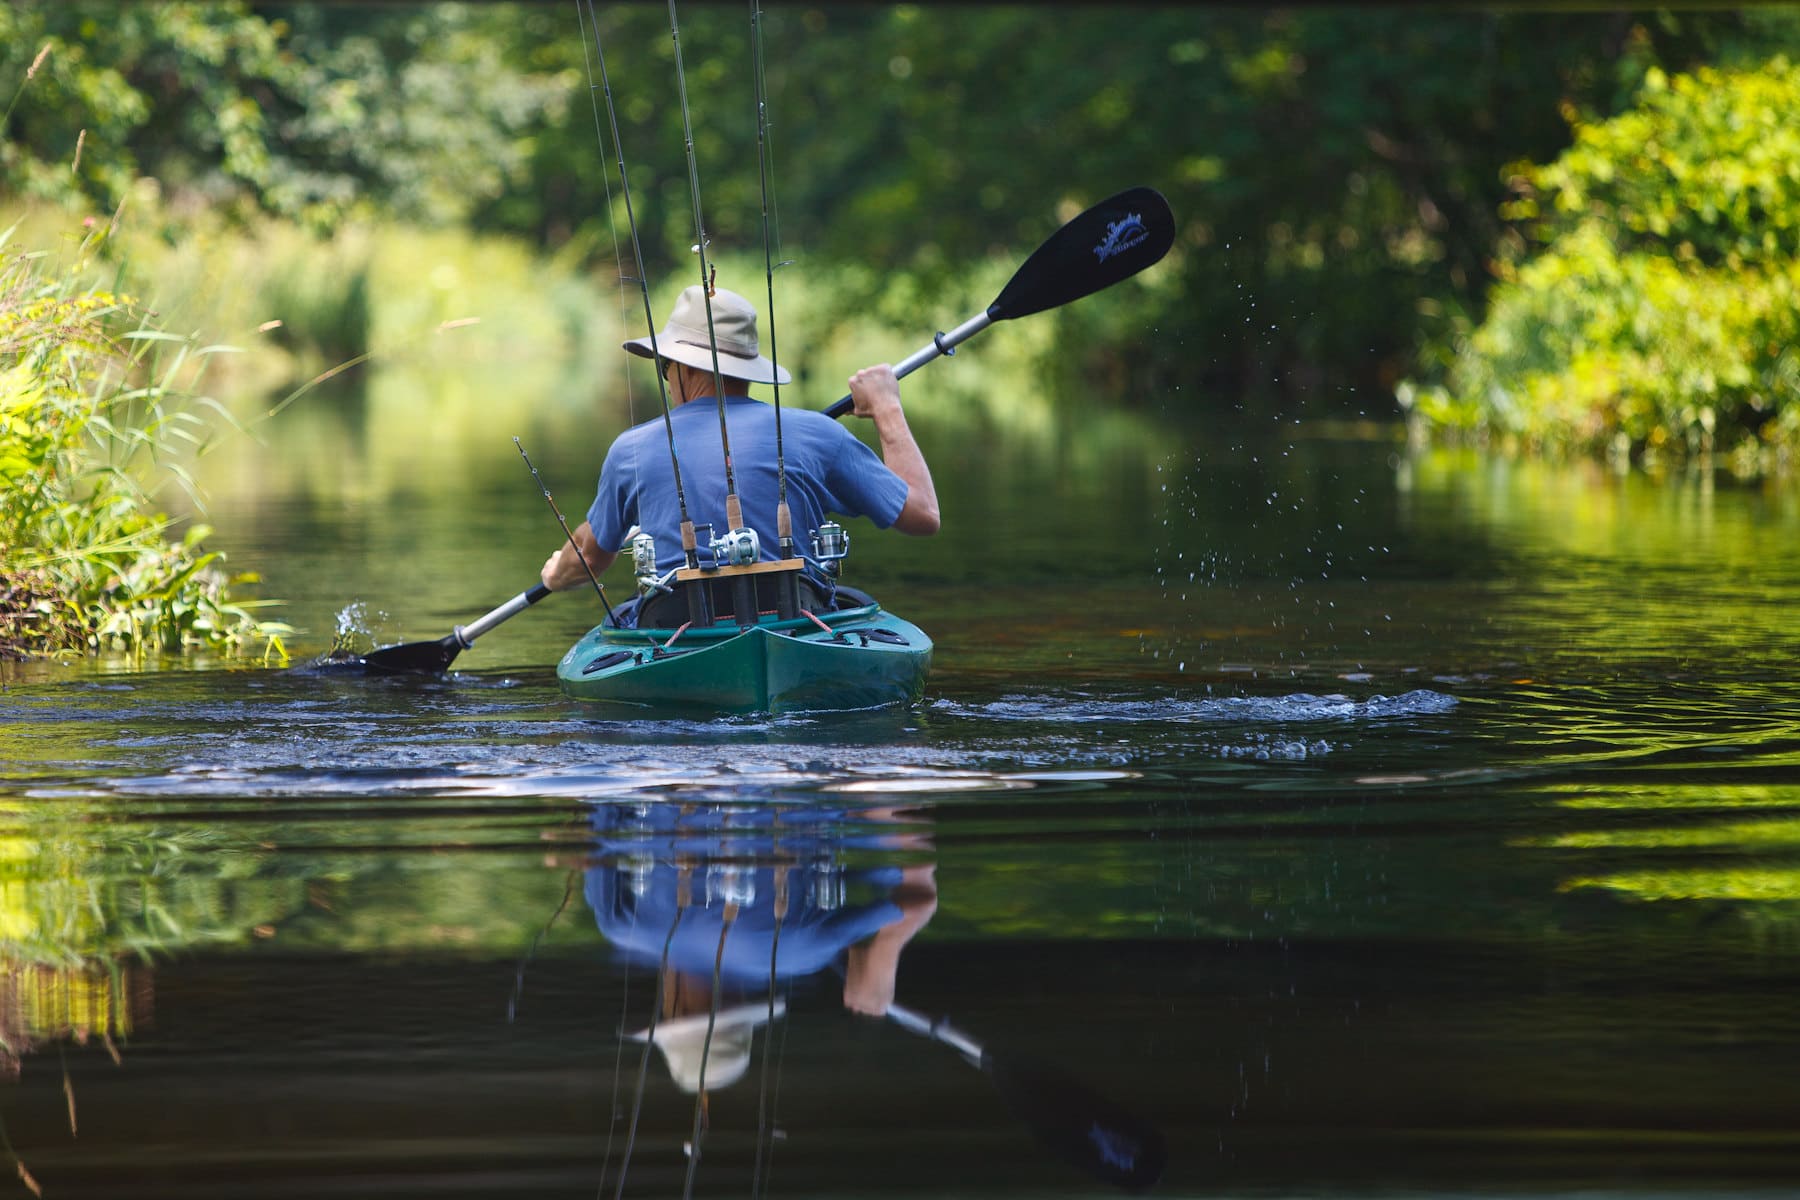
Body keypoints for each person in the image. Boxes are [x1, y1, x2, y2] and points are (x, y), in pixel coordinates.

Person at [539, 285, 939, 615]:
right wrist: (887, 408)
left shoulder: (630, 449)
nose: (666, 378)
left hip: (676, 625)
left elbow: (591, 559)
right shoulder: (818, 435)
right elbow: (923, 514)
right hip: (796, 617)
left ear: (685, 367)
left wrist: (557, 574)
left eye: (664, 366)